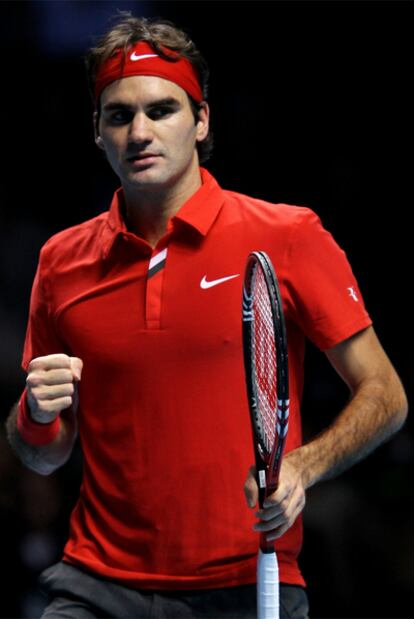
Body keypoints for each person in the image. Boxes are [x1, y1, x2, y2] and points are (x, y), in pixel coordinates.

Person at [5, 13, 408, 619]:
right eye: (119, 115)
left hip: (248, 581)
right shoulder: (60, 262)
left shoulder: (287, 235)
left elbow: (387, 395)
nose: (139, 131)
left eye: (162, 110)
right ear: (97, 132)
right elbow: (44, 453)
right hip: (97, 585)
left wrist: (303, 466)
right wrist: (34, 417)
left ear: (201, 121)